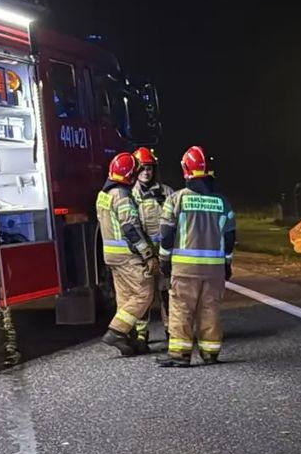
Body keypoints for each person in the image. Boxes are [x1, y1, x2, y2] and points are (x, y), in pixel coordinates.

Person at [156, 146, 236, 367]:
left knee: (181, 309)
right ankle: (210, 353)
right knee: (210, 309)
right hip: (214, 270)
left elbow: (166, 234)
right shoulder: (222, 202)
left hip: (184, 270)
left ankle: (180, 355)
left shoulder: (176, 200)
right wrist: (227, 264)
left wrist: (164, 261)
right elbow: (230, 238)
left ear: (186, 170)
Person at [97, 152, 158, 356]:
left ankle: (127, 340)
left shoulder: (103, 195)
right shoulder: (122, 196)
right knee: (144, 292)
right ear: (130, 175)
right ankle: (116, 331)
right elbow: (130, 227)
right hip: (126, 255)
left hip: (111, 256)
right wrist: (148, 254)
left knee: (125, 298)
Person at [131, 147, 173, 352]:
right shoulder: (131, 195)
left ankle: (171, 331)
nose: (146, 172)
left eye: (149, 168)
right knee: (144, 295)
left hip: (165, 254)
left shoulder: (166, 192)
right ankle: (142, 334)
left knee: (167, 294)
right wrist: (144, 253)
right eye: (142, 168)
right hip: (143, 255)